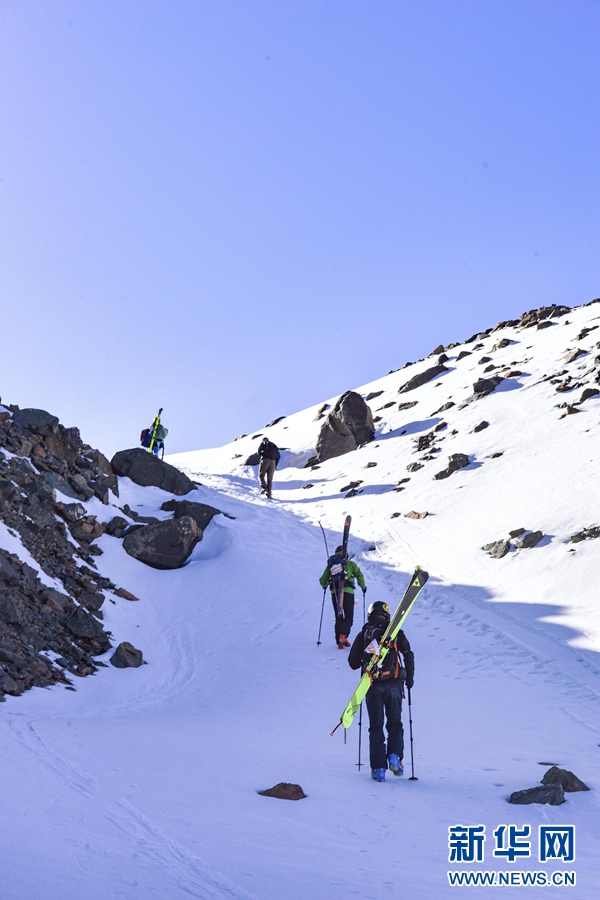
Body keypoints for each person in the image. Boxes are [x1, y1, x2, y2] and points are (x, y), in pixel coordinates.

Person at [348, 600, 414, 782]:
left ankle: (378, 769)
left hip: (372, 686)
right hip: (394, 685)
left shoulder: (365, 633)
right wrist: (409, 679)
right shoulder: (396, 632)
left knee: (375, 726)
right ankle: (394, 757)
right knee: (395, 723)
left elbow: (352, 663)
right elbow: (408, 654)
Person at [319, 546, 366, 649]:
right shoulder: (350, 564)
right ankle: (343, 635)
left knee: (338, 617)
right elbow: (359, 575)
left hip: (335, 592)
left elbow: (322, 580)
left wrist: (325, 584)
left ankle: (339, 642)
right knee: (348, 617)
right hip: (348, 592)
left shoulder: (331, 565)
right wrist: (363, 587)